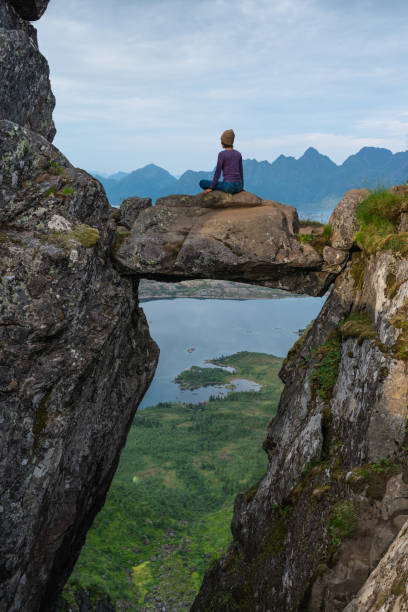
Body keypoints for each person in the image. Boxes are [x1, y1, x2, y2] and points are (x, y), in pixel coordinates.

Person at [199, 129, 244, 194]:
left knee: (202, 182)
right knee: (221, 184)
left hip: (228, 186)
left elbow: (218, 172)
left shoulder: (222, 154)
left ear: (223, 142)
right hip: (239, 186)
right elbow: (241, 172)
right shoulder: (238, 154)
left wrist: (211, 187)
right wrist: (241, 187)